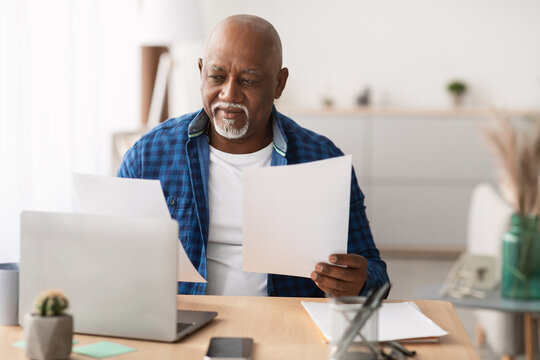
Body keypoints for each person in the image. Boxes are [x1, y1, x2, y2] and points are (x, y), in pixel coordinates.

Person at [118, 14, 389, 297]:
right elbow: (113, 255)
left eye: (248, 80)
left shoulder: (323, 160)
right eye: (217, 77)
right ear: (201, 73)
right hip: (184, 325)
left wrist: (358, 281)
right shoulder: (148, 156)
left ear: (279, 84)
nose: (229, 93)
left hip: (286, 329)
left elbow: (377, 274)